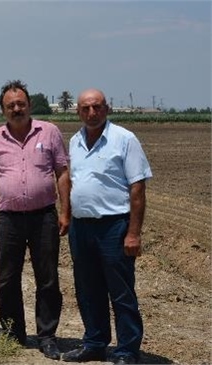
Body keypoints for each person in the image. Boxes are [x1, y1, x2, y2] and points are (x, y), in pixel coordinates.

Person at [62, 89, 152, 365]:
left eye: (97, 107)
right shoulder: (75, 141)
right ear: (78, 111)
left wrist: (133, 232)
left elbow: (137, 188)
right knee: (88, 290)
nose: (92, 113)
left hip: (114, 226)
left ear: (107, 108)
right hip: (82, 227)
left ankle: (127, 351)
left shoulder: (124, 139)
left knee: (121, 292)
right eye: (86, 108)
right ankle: (95, 343)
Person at [0, 80, 70, 360]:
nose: (16, 109)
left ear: (29, 105)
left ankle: (47, 336)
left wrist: (65, 211)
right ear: (3, 109)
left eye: (21, 104)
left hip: (43, 216)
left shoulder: (50, 131)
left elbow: (62, 173)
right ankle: (13, 333)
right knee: (7, 279)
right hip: (8, 219)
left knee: (47, 278)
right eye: (11, 105)